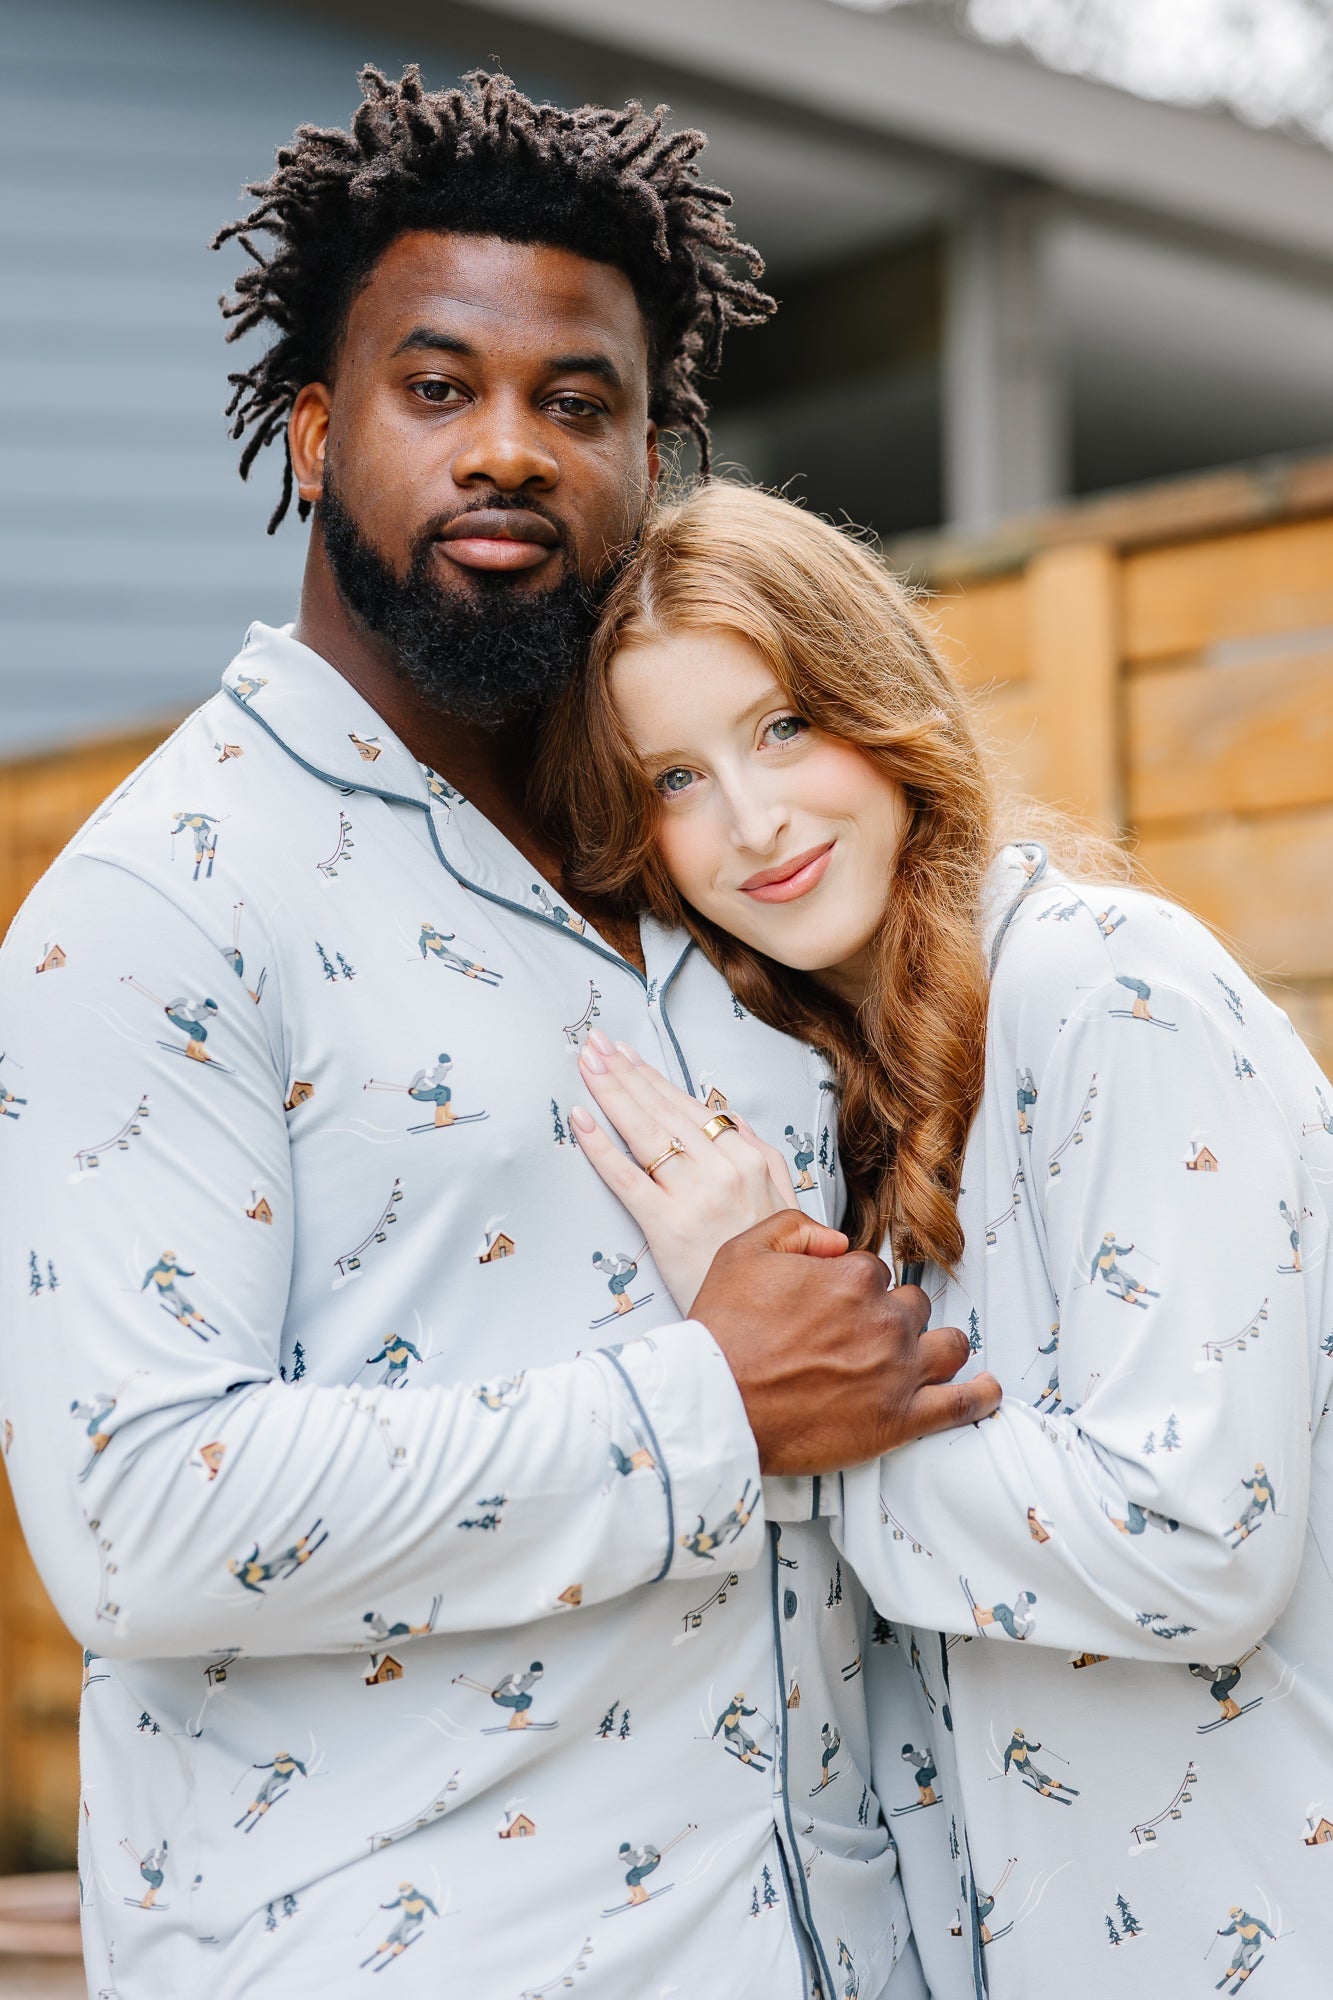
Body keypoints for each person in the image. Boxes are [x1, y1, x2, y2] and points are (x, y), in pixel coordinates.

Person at [0, 68, 998, 2000]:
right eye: (436, 388)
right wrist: (698, 1403)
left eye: (578, 403)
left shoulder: (711, 864)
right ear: (311, 430)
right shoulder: (159, 904)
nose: (511, 452)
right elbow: (129, 1516)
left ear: (652, 457)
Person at [541, 480, 1333, 1998]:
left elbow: (1191, 1540)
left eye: (781, 728)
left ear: (880, 703)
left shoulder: (1110, 989)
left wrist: (778, 1406)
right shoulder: (855, 1090)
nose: (753, 821)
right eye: (675, 782)